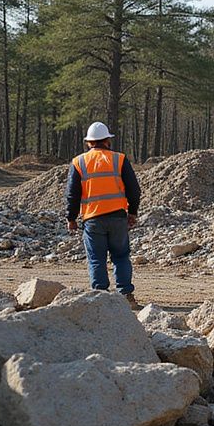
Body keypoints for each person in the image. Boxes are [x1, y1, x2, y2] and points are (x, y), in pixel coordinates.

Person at [66, 122, 141, 305]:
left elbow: (72, 193)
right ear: (107, 140)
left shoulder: (79, 162)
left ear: (88, 142)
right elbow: (134, 189)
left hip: (92, 219)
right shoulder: (119, 159)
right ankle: (126, 296)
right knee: (121, 256)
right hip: (117, 217)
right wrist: (132, 212)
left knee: (96, 259)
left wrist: (71, 218)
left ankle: (101, 299)